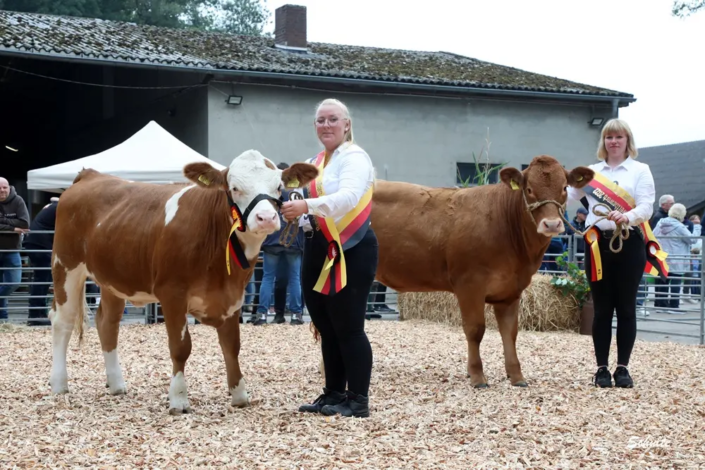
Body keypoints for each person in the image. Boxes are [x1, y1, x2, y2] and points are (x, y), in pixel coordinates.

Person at [282, 98, 377, 418]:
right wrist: (295, 205)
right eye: (320, 120)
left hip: (350, 246)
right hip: (316, 245)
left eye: (332, 119)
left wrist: (306, 206)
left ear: (346, 124)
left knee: (349, 326)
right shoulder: (315, 161)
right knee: (326, 325)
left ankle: (358, 399)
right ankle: (334, 392)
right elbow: (300, 194)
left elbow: (349, 198)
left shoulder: (355, 157)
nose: (325, 125)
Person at [567, 118, 658, 389]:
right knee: (602, 309)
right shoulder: (591, 172)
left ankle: (623, 368)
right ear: (603, 142)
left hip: (629, 243)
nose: (614, 141)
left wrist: (627, 216)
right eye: (609, 137)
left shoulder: (640, 170)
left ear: (627, 141)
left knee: (626, 308)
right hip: (597, 244)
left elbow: (646, 207)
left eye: (619, 137)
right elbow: (568, 195)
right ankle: (602, 369)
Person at [652, 204, 697, 313]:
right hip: (677, 257)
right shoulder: (679, 227)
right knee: (676, 281)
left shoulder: (660, 223)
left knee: (664, 281)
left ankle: (661, 305)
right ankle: (674, 306)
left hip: (663, 256)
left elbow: (653, 235)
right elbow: (692, 240)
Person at [23, 197, 59, 326]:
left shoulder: (55, 206)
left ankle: (38, 313)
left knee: (43, 279)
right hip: (40, 245)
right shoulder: (60, 207)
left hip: (37, 244)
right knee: (42, 279)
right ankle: (35, 315)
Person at [0, 177, 30, 321]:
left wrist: (2, 221)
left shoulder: (18, 201)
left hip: (12, 249)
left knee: (14, 282)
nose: (2, 190)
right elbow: (18, 224)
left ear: (9, 187)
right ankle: (3, 319)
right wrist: (12, 227)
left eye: (4, 187)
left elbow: (24, 223)